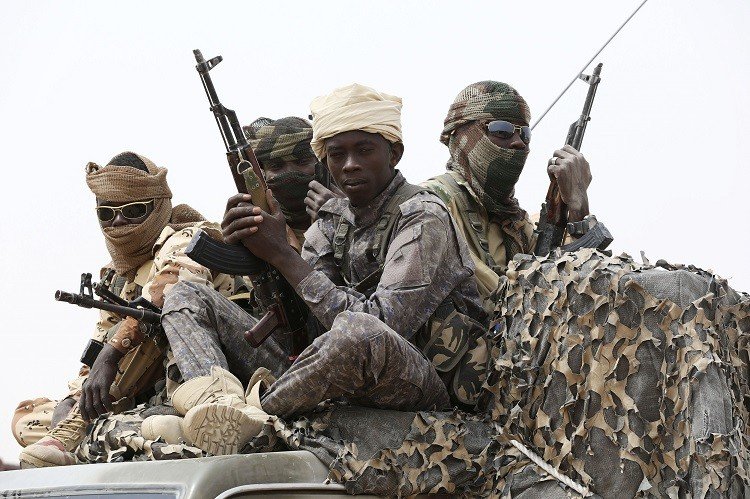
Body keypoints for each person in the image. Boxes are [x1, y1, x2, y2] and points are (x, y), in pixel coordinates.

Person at [157, 83, 488, 456]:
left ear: (394, 153)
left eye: (364, 150)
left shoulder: (423, 215)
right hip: (331, 371)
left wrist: (283, 255)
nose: (350, 165)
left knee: (359, 329)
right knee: (186, 294)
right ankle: (217, 405)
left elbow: (382, 325)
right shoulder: (331, 222)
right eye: (336, 154)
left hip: (424, 383)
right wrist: (258, 259)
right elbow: (307, 325)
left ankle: (255, 418)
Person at [14, 152, 235, 468]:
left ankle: (81, 434)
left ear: (157, 207)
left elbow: (171, 289)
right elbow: (98, 347)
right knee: (26, 420)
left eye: (133, 211)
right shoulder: (117, 275)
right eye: (107, 214)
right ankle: (87, 429)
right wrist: (74, 399)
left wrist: (111, 353)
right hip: (143, 392)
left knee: (147, 320)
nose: (118, 222)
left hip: (206, 376)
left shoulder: (187, 237)